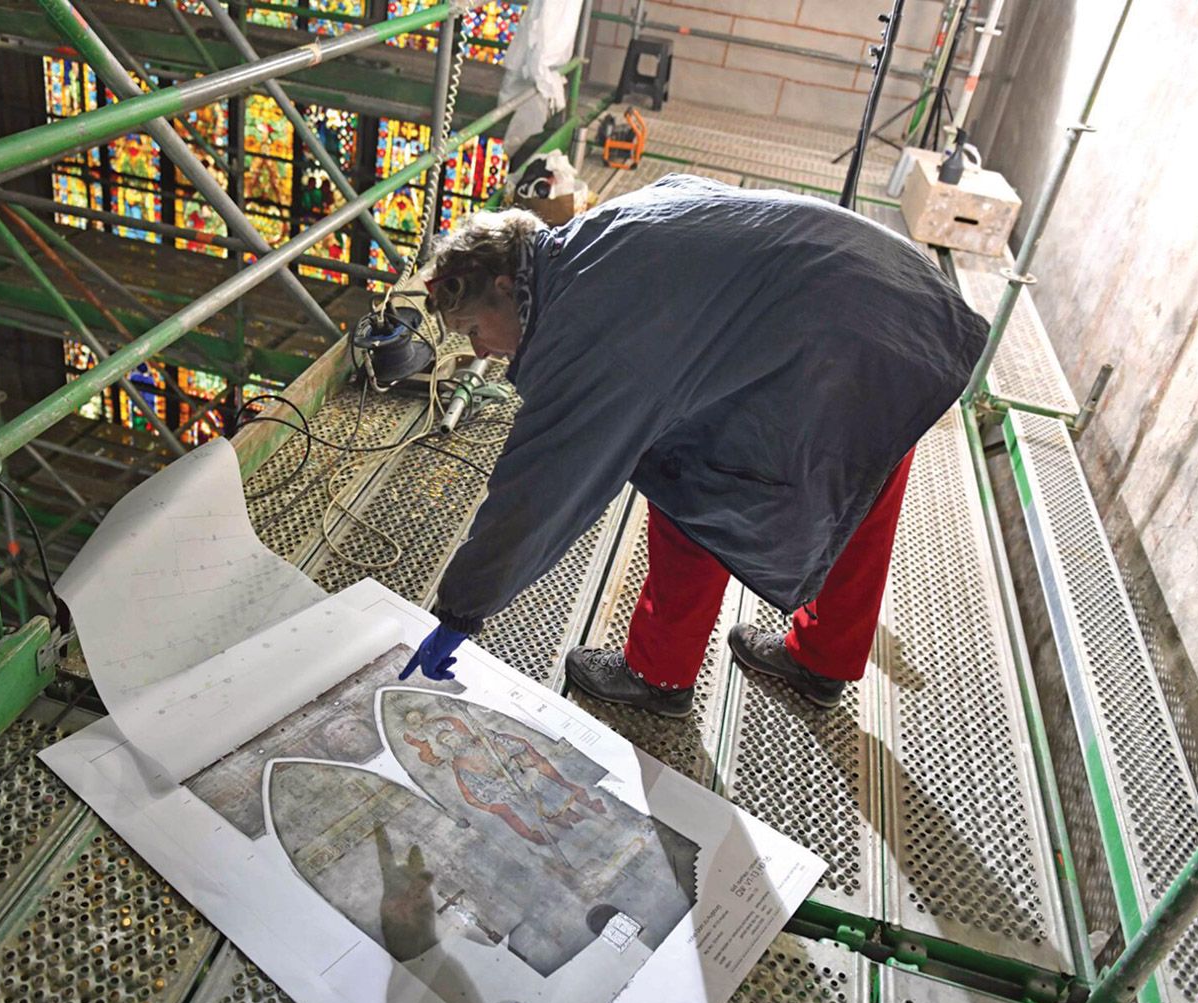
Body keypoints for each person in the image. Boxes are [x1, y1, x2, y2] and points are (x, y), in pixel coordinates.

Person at [398, 175, 988, 716]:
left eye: (475, 329)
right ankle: (822, 659)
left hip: (846, 335)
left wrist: (460, 611)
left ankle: (659, 676)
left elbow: (540, 489)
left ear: (506, 285)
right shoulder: (593, 239)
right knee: (860, 480)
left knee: (690, 481)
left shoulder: (591, 328)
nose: (481, 351)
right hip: (900, 308)